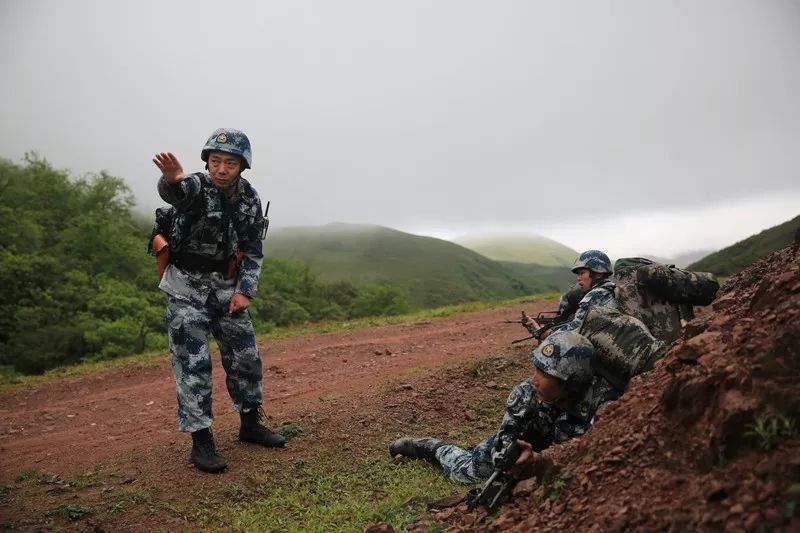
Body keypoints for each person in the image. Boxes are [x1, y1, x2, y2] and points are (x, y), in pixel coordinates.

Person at [152, 128, 284, 474]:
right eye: (215, 161)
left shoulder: (249, 199)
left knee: (245, 357)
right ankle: (201, 441)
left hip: (227, 286)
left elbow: (253, 248)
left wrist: (245, 290)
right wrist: (172, 180)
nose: (221, 168)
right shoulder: (195, 186)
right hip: (186, 286)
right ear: (207, 162)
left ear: (242, 166)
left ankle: (250, 423)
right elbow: (177, 195)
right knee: (193, 363)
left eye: (229, 162)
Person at [388, 330, 618, 484]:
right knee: (470, 471)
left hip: (557, 449)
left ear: (571, 382)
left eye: (545, 373)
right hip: (535, 438)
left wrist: (542, 461)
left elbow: (595, 457)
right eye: (536, 368)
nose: (534, 379)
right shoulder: (527, 392)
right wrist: (505, 455)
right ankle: (435, 448)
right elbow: (506, 436)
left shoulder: (604, 406)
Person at [526, 250, 618, 339]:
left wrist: (546, 333)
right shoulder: (610, 289)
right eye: (578, 274)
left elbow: (575, 329)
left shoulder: (596, 294)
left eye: (582, 273)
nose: (578, 278)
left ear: (598, 274)